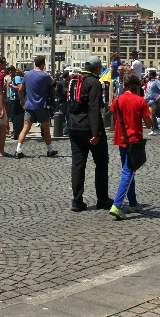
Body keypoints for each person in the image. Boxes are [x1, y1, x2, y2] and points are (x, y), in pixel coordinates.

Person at [68, 56, 112, 212]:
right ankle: (102, 198)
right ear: (98, 69)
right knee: (101, 163)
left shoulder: (75, 80)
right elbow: (94, 108)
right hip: (89, 127)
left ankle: (77, 200)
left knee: (78, 164)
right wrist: (96, 133)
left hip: (74, 127)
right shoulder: (94, 83)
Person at [109, 72, 152, 220]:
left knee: (129, 170)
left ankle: (133, 203)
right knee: (128, 171)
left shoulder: (117, 100)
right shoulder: (140, 101)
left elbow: (115, 119)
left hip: (121, 139)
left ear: (125, 85)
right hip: (135, 140)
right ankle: (117, 204)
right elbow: (149, 124)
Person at [15, 55, 58, 158]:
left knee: (25, 128)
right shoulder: (44, 75)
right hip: (40, 105)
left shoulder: (27, 74)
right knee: (46, 128)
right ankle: (49, 150)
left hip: (29, 105)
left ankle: (18, 150)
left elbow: (20, 89)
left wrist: (22, 100)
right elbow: (52, 83)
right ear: (43, 64)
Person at [144, 69, 160, 135]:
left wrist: (159, 97)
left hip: (154, 101)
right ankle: (153, 128)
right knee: (150, 115)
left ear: (151, 75)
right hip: (148, 100)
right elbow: (147, 92)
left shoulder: (156, 81)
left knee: (152, 115)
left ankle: (156, 128)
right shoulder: (149, 82)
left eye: (149, 74)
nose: (148, 75)